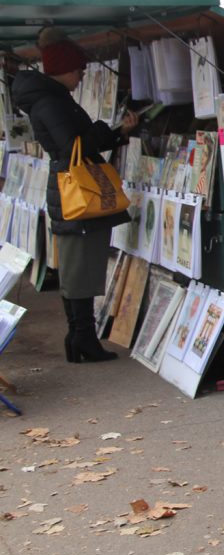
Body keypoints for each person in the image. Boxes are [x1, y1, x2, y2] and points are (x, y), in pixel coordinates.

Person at [11, 28, 139, 363]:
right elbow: (73, 147)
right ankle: (83, 338)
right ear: (65, 69)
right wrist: (101, 130)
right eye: (79, 70)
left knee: (75, 267)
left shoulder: (48, 99)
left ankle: (79, 338)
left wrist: (115, 134)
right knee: (79, 267)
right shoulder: (51, 102)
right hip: (75, 191)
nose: (82, 76)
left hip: (66, 189)